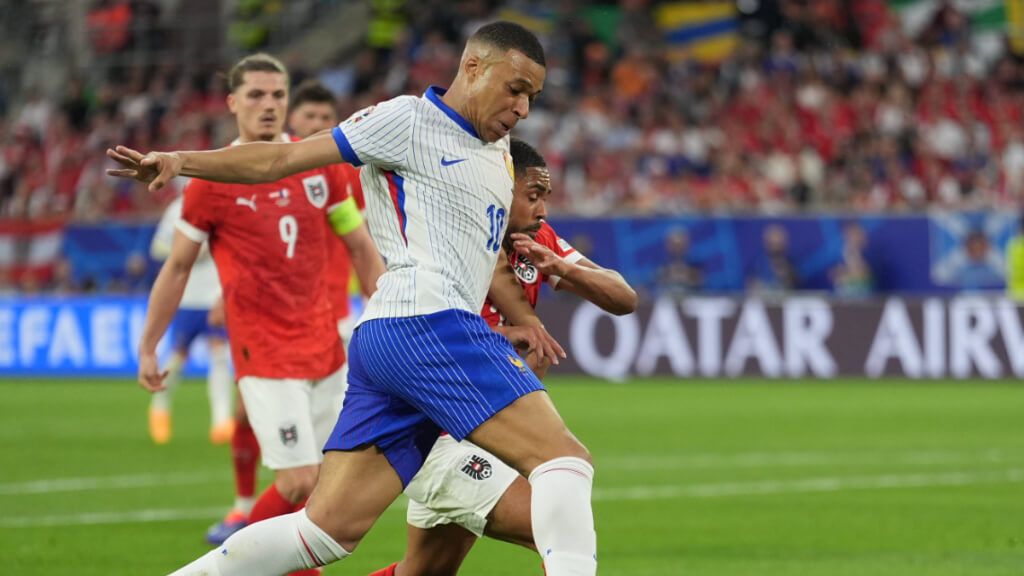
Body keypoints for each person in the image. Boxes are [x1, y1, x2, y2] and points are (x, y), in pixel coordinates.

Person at [109, 22, 597, 576]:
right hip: (427, 322)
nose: (524, 107)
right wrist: (179, 161)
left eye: (533, 96)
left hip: (393, 338)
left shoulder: (500, 150)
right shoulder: (408, 121)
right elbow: (276, 162)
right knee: (564, 460)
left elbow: (480, 260)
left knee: (324, 531)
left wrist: (516, 318)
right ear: (473, 68)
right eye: (515, 88)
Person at [125, 53, 385, 576]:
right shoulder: (210, 181)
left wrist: (383, 317)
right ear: (232, 103)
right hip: (263, 355)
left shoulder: (318, 167)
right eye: (256, 96)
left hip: (327, 351)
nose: (269, 105)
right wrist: (151, 344)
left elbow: (359, 244)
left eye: (277, 96)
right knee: (297, 484)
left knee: (327, 499)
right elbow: (177, 268)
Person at [372, 137, 637, 576]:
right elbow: (417, 334)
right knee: (559, 528)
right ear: (497, 185)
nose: (542, 210)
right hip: (433, 437)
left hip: (491, 435)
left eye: (545, 198)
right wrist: (498, 336)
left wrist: (564, 268)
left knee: (422, 572)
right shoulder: (449, 240)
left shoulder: (540, 240)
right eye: (532, 197)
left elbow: (624, 297)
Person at [206, 79, 363, 547]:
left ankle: (261, 544)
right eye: (309, 118)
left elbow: (363, 241)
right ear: (294, 122)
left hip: (338, 319)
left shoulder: (345, 175)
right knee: (268, 436)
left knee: (319, 470)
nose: (317, 126)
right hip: (278, 326)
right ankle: (244, 509)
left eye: (325, 120)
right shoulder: (272, 170)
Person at [148, 194, 233, 446]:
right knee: (178, 355)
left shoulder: (222, 205)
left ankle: (221, 420)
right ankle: (159, 407)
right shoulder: (177, 209)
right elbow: (158, 247)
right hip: (187, 296)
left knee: (219, 353)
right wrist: (190, 251)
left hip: (216, 294)